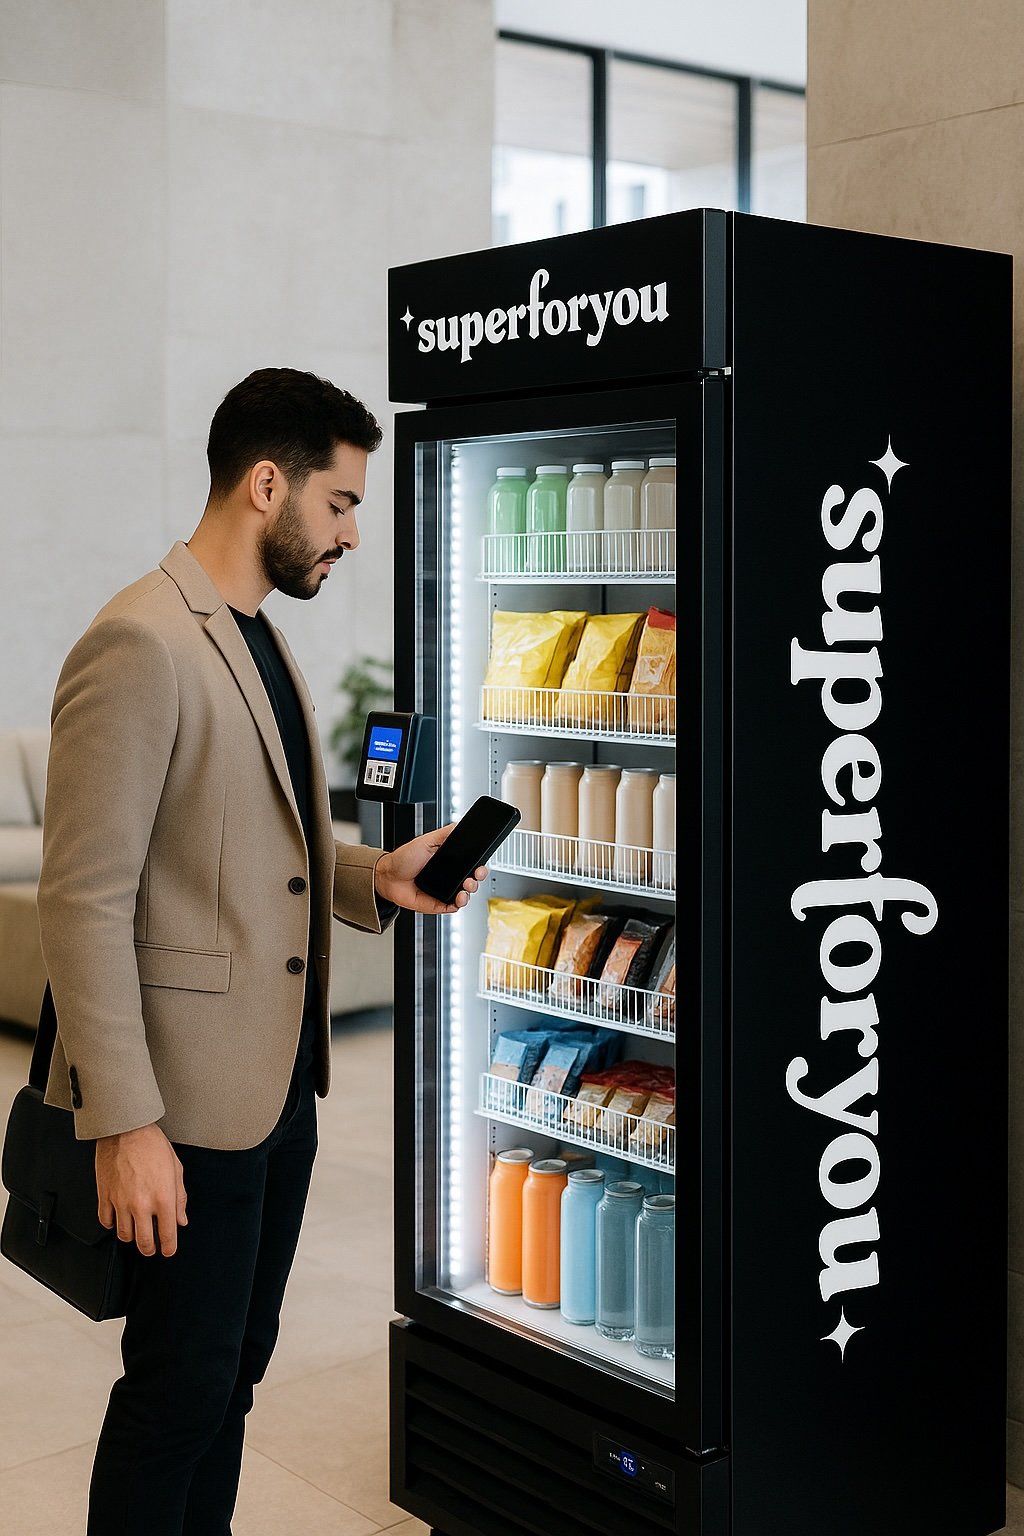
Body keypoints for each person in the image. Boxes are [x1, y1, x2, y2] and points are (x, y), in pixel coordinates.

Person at [35, 367, 484, 1534]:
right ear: (266, 483)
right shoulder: (138, 641)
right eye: (338, 506)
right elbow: (82, 903)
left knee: (231, 1379)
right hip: (179, 1112)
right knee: (176, 1394)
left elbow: (252, 851)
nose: (347, 536)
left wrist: (374, 876)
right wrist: (123, 1126)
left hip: (275, 1094)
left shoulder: (259, 640)